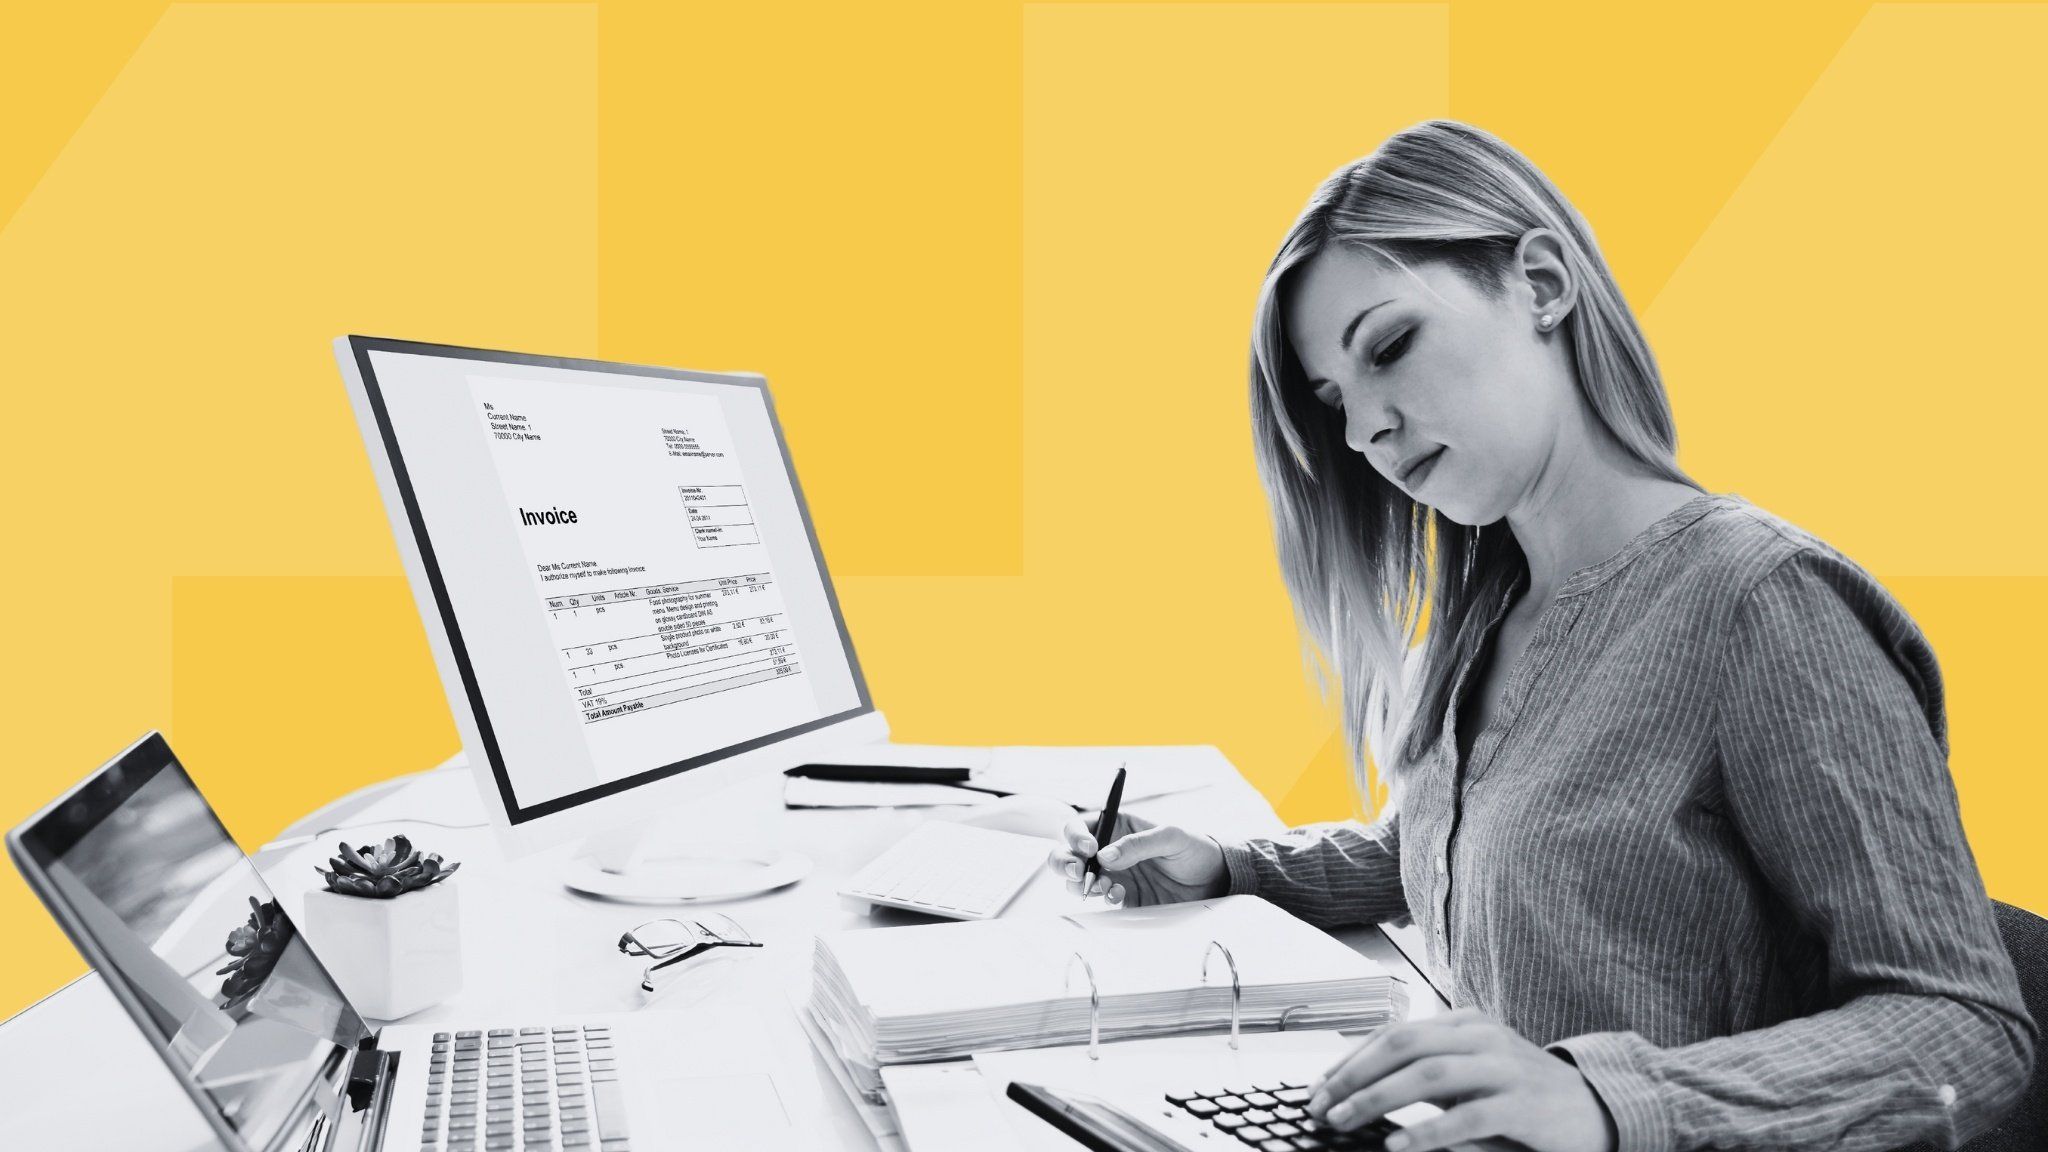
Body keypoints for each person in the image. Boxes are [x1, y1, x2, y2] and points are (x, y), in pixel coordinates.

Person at [1045, 119, 2036, 1152]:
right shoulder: (1490, 612)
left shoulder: (1759, 605)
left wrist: (1606, 1102)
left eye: (1388, 347)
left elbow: (1963, 1028)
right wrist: (1232, 868)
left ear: (1541, 282)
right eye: (1333, 400)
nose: (1361, 431)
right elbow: (1463, 847)